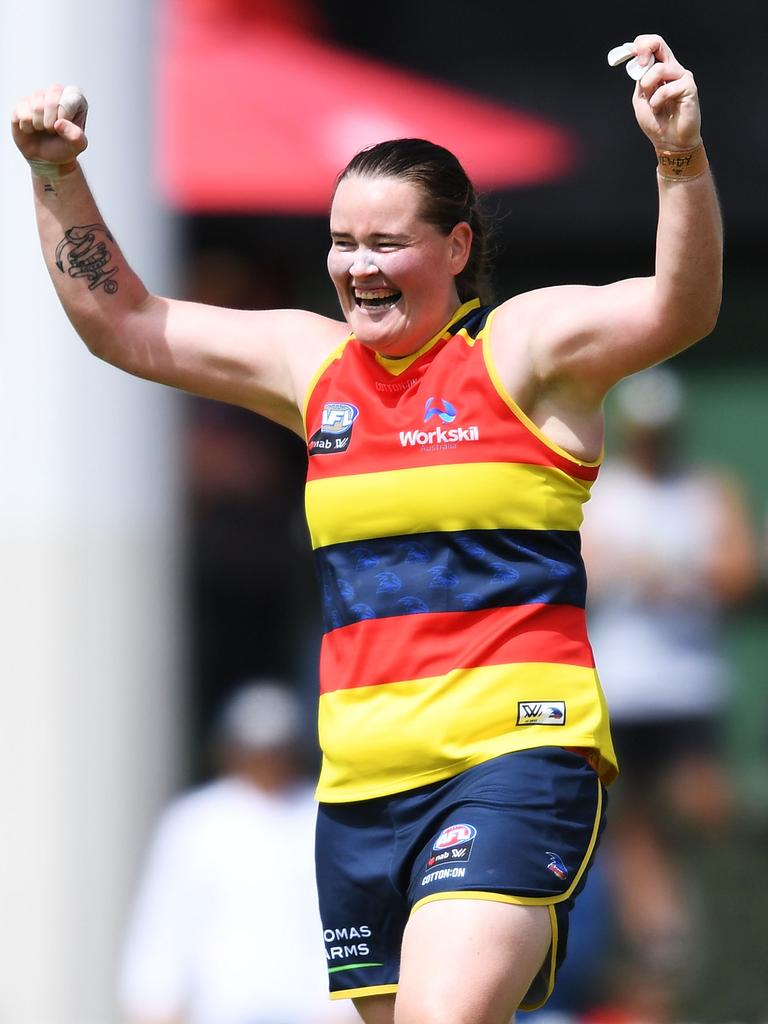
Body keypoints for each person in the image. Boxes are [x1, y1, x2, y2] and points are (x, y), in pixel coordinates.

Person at [12, 33, 722, 1024]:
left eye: (386, 243)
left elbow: (678, 308)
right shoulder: (314, 367)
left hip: (510, 761)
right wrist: (54, 172)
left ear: (457, 249)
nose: (357, 267)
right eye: (343, 243)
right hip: (360, 790)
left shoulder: (524, 351)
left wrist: (677, 157)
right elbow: (123, 323)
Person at [580, 367, 757, 1021]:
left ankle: (726, 924)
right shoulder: (602, 492)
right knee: (633, 825)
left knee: (703, 806)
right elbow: (585, 570)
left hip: (688, 686)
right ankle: (661, 947)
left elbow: (738, 571)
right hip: (620, 686)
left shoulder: (709, 491)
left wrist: (669, 571)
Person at [119, 680, 355, 1024]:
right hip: (222, 1008)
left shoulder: (323, 817)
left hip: (311, 1009)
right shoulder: (195, 821)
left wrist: (348, 1005)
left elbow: (346, 917)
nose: (266, 761)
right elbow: (164, 918)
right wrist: (154, 1001)